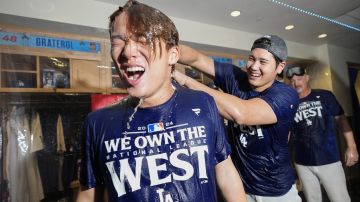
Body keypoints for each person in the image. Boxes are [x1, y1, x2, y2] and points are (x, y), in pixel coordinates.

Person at [76, 1, 246, 202]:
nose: (127, 52)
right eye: (118, 42)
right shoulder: (97, 123)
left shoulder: (203, 103)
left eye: (142, 39)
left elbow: (225, 172)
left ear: (173, 54)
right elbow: (88, 195)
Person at [173, 35, 301, 202]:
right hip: (241, 190)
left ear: (280, 67)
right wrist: (166, 51)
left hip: (277, 193)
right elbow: (196, 58)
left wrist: (185, 80)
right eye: (251, 59)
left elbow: (242, 114)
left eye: (263, 62)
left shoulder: (286, 95)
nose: (254, 66)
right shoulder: (236, 79)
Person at [286, 66, 359, 202]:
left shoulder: (325, 95)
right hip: (302, 162)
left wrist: (352, 146)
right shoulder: (289, 104)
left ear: (307, 78)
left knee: (340, 199)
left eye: (299, 78)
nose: (296, 83)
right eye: (292, 81)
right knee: (312, 199)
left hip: (329, 159)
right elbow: (287, 132)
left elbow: (341, 120)